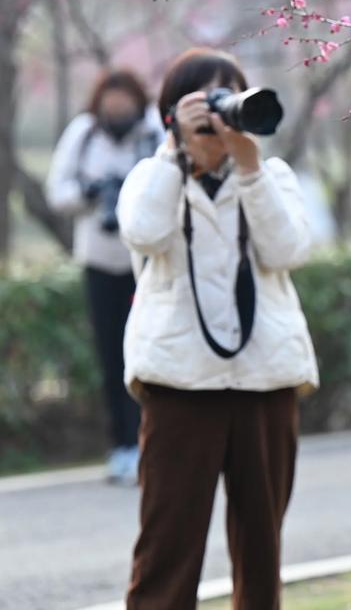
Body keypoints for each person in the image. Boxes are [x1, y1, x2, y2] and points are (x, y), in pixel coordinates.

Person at [116, 48, 319, 610]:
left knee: (261, 543)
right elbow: (143, 231)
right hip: (179, 382)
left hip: (266, 378)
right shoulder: (152, 176)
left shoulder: (271, 175)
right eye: (204, 99)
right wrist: (174, 154)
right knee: (167, 543)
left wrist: (249, 169)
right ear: (171, 112)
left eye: (229, 95)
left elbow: (288, 249)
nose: (218, 112)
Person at [46, 68, 163, 485]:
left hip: (147, 260)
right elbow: (57, 191)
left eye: (124, 106)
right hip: (99, 260)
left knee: (150, 353)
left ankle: (155, 440)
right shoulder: (84, 134)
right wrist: (92, 194)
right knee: (111, 356)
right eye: (110, 106)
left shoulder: (155, 133)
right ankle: (122, 446)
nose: (117, 113)